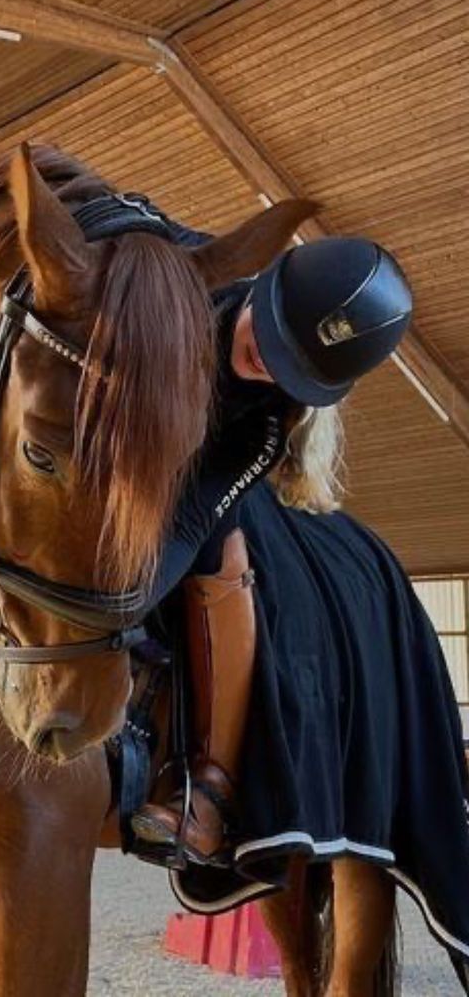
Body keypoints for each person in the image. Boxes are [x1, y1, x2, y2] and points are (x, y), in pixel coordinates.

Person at [131, 234, 413, 863]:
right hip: (111, 440)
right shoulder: (185, 281)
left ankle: (210, 783)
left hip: (188, 492)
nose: (268, 362)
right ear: (264, 285)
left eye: (293, 367)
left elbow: (192, 519)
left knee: (224, 552)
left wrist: (123, 602)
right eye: (275, 337)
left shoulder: (261, 425)